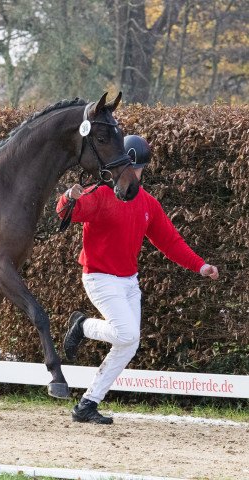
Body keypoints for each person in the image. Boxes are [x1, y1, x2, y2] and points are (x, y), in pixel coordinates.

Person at [57, 135, 219, 425]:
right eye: (129, 167)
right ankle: (82, 325)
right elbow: (66, 212)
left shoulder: (147, 203)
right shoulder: (101, 193)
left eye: (138, 168)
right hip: (99, 277)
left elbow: (170, 242)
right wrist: (69, 197)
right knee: (127, 334)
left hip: (129, 282)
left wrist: (200, 266)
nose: (133, 174)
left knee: (128, 343)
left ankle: (87, 404)